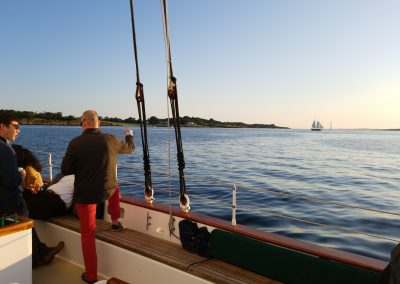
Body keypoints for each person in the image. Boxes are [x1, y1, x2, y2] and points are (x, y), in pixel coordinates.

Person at [61, 110, 135, 283]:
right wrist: (129, 135)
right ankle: (115, 221)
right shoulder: (111, 139)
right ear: (98, 122)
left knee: (88, 235)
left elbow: (66, 170)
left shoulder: (75, 143)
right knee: (115, 187)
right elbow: (130, 148)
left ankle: (92, 276)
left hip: (86, 195)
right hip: (106, 190)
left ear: (84, 123)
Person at [0, 112, 64, 268]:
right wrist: (20, 175)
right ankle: (36, 258)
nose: (18, 130)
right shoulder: (5, 149)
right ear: (2, 127)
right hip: (9, 205)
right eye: (16, 126)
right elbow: (11, 181)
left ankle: (41, 252)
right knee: (25, 220)